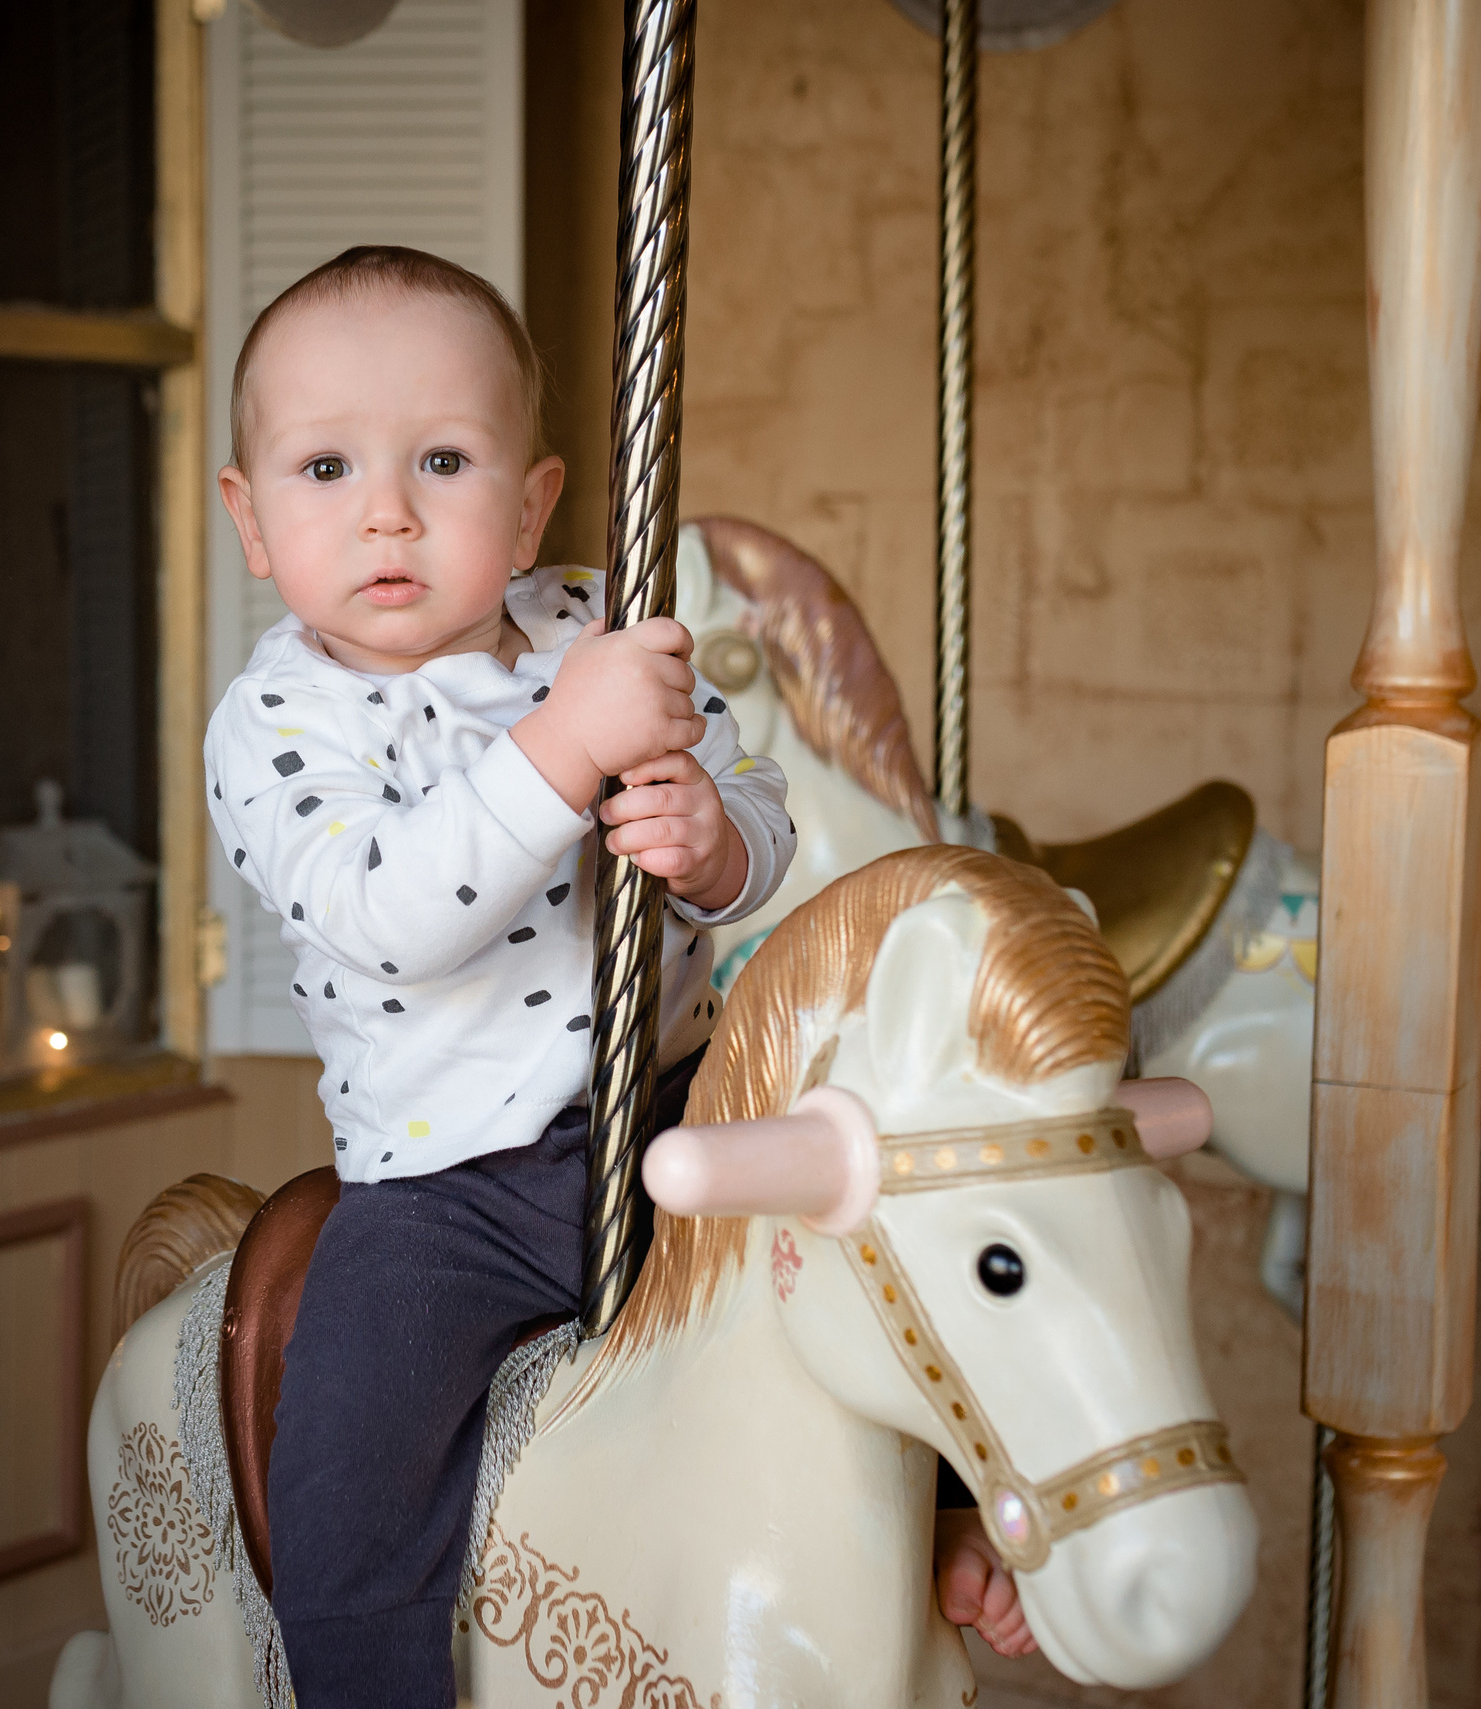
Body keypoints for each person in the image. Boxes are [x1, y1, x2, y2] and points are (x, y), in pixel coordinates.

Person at [206, 245, 1028, 1705]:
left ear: (530, 504)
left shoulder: (600, 625)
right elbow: (390, 913)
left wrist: (717, 845)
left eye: (443, 461)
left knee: (879, 1254)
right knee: (350, 1480)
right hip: (443, 1185)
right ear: (250, 518)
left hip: (677, 1106)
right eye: (325, 468)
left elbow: (758, 803)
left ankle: (951, 1521)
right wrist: (563, 747)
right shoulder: (280, 719)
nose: (388, 511)